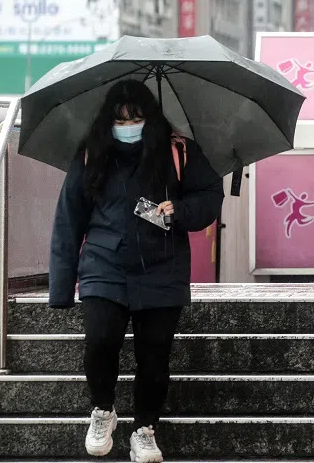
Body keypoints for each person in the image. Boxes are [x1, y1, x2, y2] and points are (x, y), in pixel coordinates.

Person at [48, 80, 224, 463]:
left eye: (138, 117)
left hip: (163, 267)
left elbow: (210, 194)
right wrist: (61, 287)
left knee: (155, 357)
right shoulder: (90, 155)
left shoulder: (179, 151)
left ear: (152, 118)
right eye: (121, 118)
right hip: (103, 264)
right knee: (99, 342)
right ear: (108, 120)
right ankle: (103, 411)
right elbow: (67, 220)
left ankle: (144, 429)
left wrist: (178, 210)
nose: (128, 125)